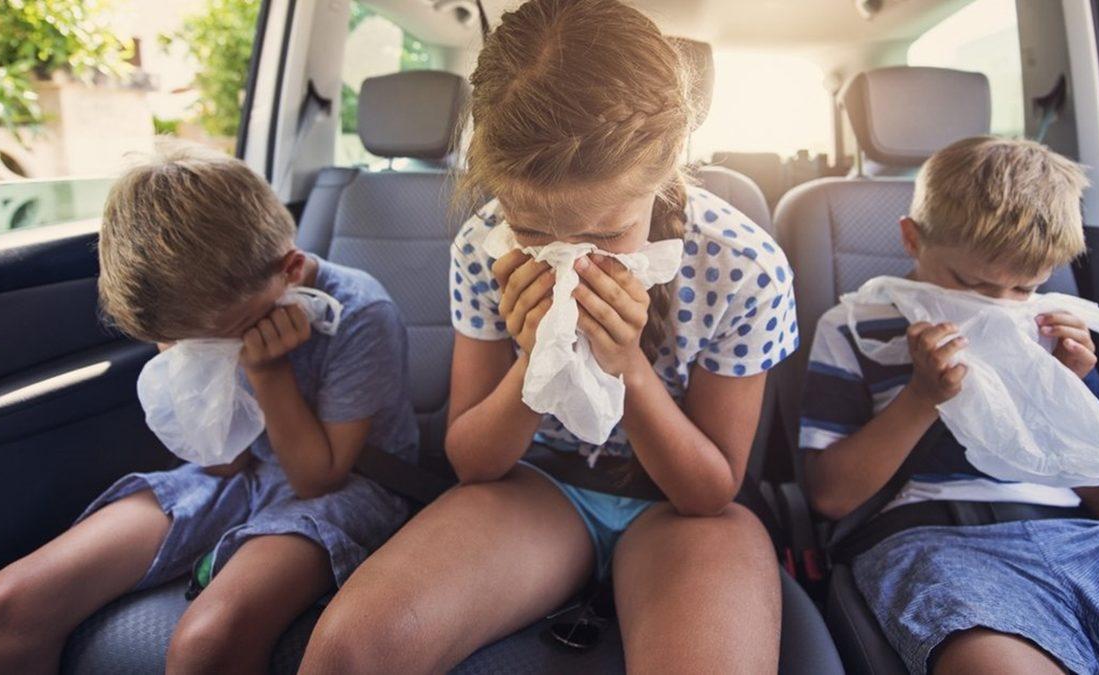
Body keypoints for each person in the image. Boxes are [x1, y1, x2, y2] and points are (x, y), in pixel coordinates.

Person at [298, 1, 800, 671]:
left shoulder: (745, 266)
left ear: (669, 159)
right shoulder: (483, 245)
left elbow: (710, 491)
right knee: (348, 651)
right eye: (533, 231)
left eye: (605, 234)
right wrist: (536, 359)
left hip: (679, 509)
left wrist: (628, 366)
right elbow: (473, 460)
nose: (571, 259)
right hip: (538, 484)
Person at [0, 145, 418, 673]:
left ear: (291, 270)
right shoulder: (199, 313)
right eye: (187, 345)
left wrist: (268, 373)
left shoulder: (361, 312)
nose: (207, 352)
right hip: (242, 472)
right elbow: (221, 461)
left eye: (220, 339)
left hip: (348, 487)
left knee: (207, 641)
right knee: (5, 604)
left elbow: (316, 480)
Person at [801, 136, 1099, 674]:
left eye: (1024, 288)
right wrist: (923, 397)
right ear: (911, 239)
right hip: (934, 543)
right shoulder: (854, 326)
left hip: (1086, 542)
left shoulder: (1050, 332)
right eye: (971, 284)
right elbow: (830, 497)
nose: (998, 306)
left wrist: (1065, 389)